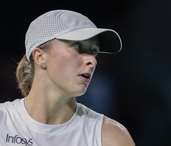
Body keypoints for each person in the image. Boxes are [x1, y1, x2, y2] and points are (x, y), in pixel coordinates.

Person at [0, 10, 135, 146]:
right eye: (79, 47)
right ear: (40, 57)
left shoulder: (110, 137)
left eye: (94, 51)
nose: (93, 61)